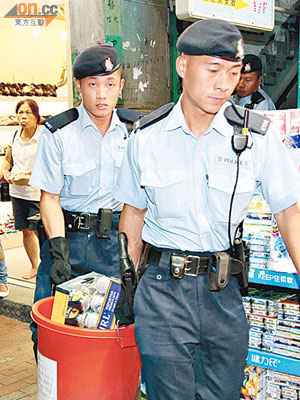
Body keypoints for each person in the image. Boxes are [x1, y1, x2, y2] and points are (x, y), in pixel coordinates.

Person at [114, 19, 300, 400]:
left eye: (233, 73)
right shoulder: (145, 138)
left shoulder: (255, 138)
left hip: (224, 291)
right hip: (162, 292)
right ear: (183, 66)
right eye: (213, 70)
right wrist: (127, 289)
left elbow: (289, 213)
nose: (224, 84)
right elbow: (133, 215)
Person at [29, 44, 142, 356]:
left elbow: (142, 201)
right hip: (70, 243)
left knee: (116, 331)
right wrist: (59, 250)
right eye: (92, 84)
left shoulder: (136, 132)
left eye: (109, 84)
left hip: (119, 245)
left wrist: (134, 257)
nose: (101, 95)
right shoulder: (58, 132)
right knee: (53, 332)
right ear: (79, 86)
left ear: (121, 85)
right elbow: (49, 197)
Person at [1, 99, 42, 280]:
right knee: (25, 229)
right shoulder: (14, 135)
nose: (23, 116)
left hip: (37, 191)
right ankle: (34, 265)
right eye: (20, 112)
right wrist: (4, 170)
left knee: (40, 229)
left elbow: (48, 162)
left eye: (28, 113)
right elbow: (8, 160)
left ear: (35, 115)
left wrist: (30, 173)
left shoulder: (43, 135)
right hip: (17, 190)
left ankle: (48, 264)